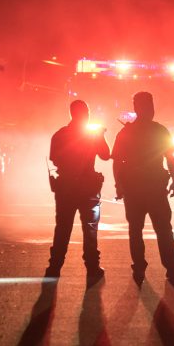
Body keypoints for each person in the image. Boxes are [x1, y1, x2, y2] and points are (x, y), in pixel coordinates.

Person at [112, 91, 174, 292]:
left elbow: (117, 162)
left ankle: (139, 268)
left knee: (136, 229)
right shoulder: (160, 130)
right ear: (146, 107)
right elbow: (170, 158)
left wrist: (119, 185)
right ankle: (173, 270)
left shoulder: (126, 132)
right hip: (155, 189)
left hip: (133, 189)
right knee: (164, 230)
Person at [46, 100, 109, 283]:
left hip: (65, 186)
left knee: (63, 228)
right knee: (90, 228)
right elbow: (106, 155)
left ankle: (55, 266)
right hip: (88, 187)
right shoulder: (92, 135)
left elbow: (54, 159)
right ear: (86, 114)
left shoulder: (60, 135)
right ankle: (92, 267)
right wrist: (101, 135)